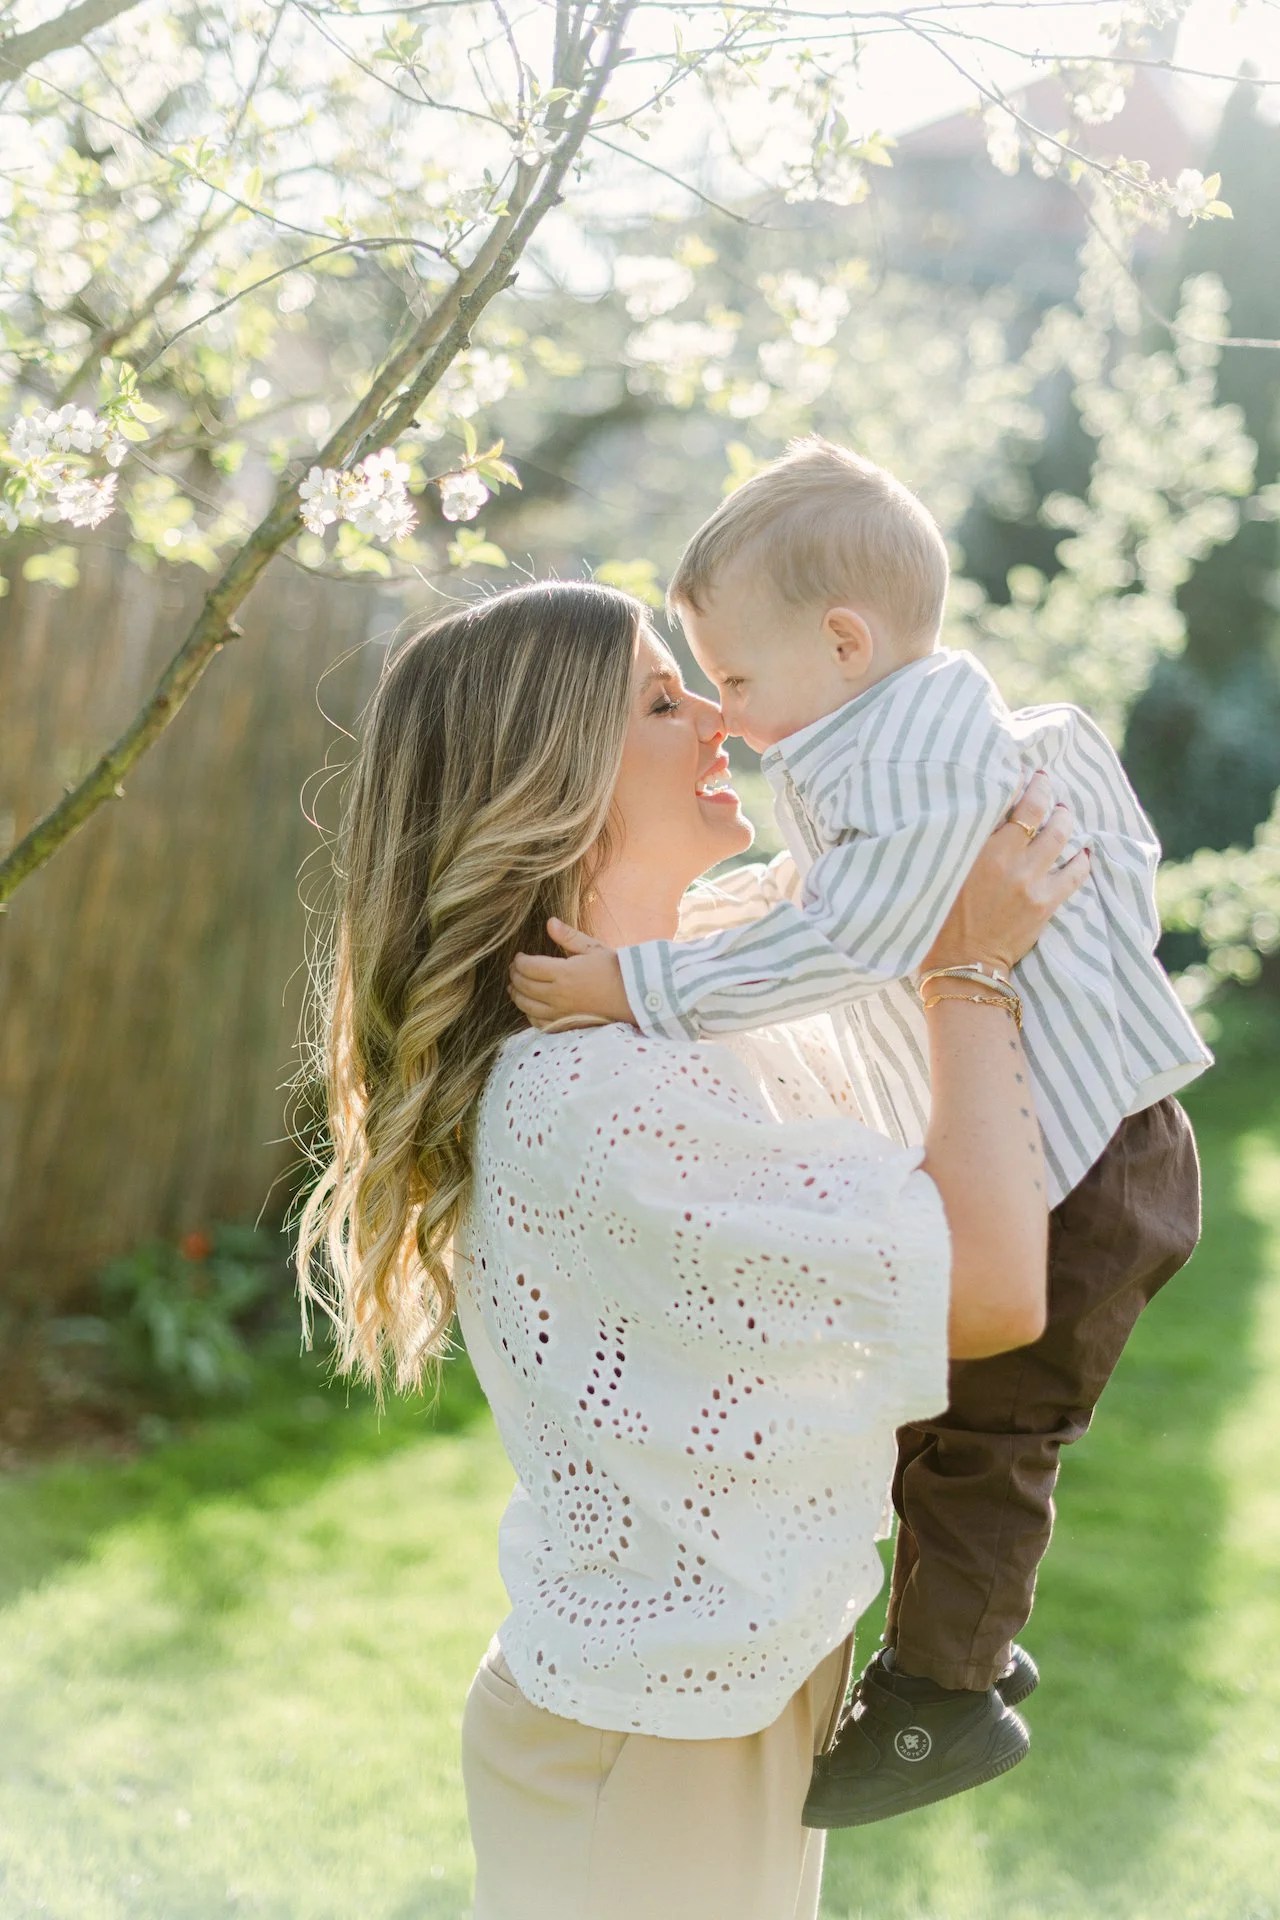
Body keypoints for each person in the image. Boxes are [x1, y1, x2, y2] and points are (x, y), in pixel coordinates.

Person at [299, 579, 1088, 1919]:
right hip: (661, 1736)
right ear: (553, 785)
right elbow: (992, 1291)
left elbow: (840, 897)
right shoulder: (595, 1097)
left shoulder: (689, 999)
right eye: (663, 702)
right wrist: (974, 973)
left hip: (711, 1695)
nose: (720, 716)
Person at [508, 441, 1206, 1829]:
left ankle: (945, 1695)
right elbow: (820, 896)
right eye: (681, 694)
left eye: (728, 680)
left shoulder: (912, 759)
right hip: (1083, 1145)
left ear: (842, 640)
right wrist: (706, 935)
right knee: (954, 1431)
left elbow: (855, 933)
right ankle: (965, 1643)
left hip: (1093, 1159)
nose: (722, 714)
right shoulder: (890, 748)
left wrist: (638, 985)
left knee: (991, 1432)